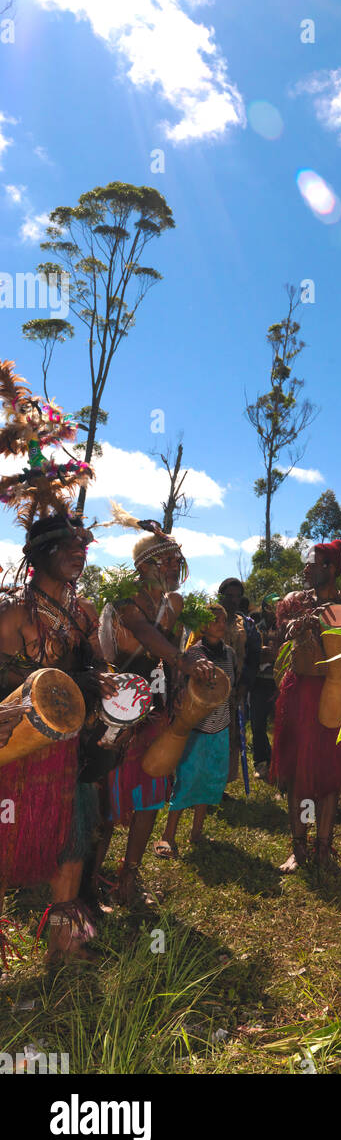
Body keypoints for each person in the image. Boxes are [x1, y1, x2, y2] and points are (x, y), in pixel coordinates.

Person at [0, 363, 115, 962]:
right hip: (13, 750)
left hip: (67, 753)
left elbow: (92, 672)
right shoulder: (13, 615)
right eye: (67, 546)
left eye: (82, 545)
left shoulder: (83, 612)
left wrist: (109, 685)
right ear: (39, 556)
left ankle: (63, 947)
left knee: (72, 843)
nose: (79, 552)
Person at [96, 507, 215, 905]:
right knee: (109, 796)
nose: (171, 565)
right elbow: (148, 637)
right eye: (163, 559)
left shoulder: (176, 602)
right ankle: (90, 880)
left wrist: (183, 680)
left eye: (175, 559)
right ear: (143, 565)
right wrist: (182, 659)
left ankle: (128, 876)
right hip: (118, 703)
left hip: (157, 705)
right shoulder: (125, 601)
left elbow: (171, 652)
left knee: (150, 789)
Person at [271, 542, 341, 870]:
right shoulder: (296, 602)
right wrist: (297, 624)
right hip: (298, 692)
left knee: (327, 773)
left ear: (332, 568)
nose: (307, 568)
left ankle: (324, 848)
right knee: (298, 774)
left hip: (333, 691)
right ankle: (300, 848)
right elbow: (282, 637)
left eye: (315, 563)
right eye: (307, 563)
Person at [157, 603, 236, 855]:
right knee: (187, 779)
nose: (220, 624)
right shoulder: (193, 654)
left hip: (220, 725)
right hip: (195, 726)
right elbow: (182, 686)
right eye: (214, 620)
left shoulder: (230, 653)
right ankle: (168, 835)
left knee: (211, 779)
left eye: (223, 620)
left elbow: (230, 689)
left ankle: (196, 833)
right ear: (202, 625)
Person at [217, 578, 254, 782]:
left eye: (237, 596)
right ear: (220, 595)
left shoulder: (244, 624)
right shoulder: (208, 618)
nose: (233, 600)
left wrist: (244, 685)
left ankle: (223, 782)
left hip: (235, 689)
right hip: (210, 687)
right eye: (229, 596)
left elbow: (250, 656)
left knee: (231, 736)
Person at [249, 594, 279, 780]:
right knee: (258, 724)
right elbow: (251, 654)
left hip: (279, 683)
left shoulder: (286, 629)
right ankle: (261, 761)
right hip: (259, 683)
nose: (273, 611)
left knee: (280, 725)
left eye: (277, 607)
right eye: (270, 607)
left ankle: (278, 762)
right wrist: (263, 655)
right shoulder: (255, 628)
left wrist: (271, 655)